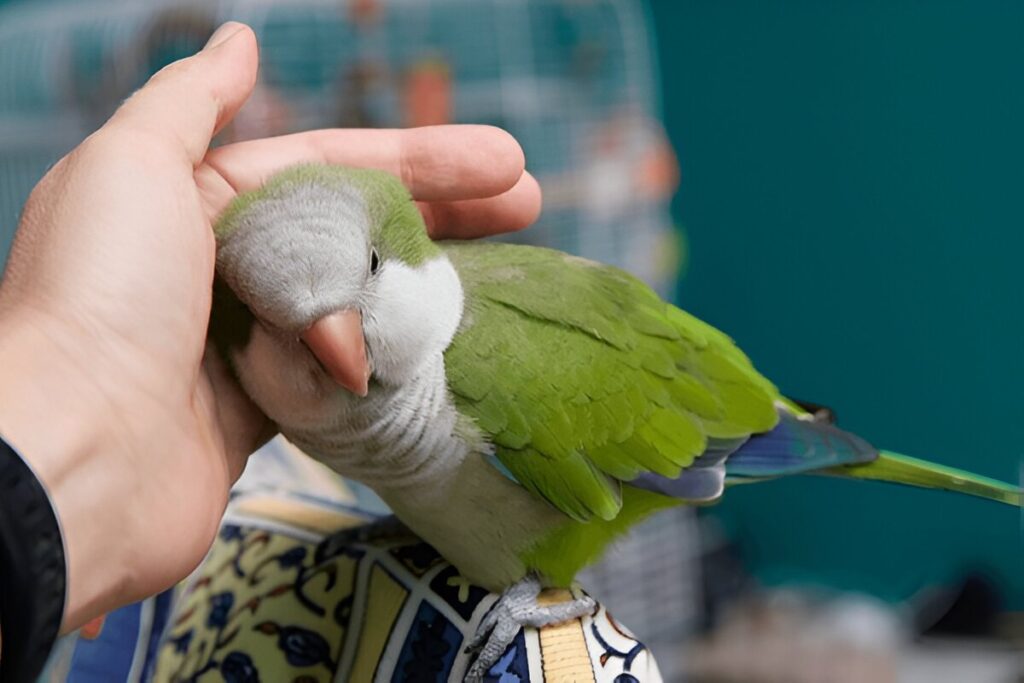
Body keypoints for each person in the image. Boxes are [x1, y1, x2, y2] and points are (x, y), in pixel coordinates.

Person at [0, 22, 540, 678]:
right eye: (271, 318)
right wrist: (80, 451)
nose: (339, 353)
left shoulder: (489, 358)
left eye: (369, 265)